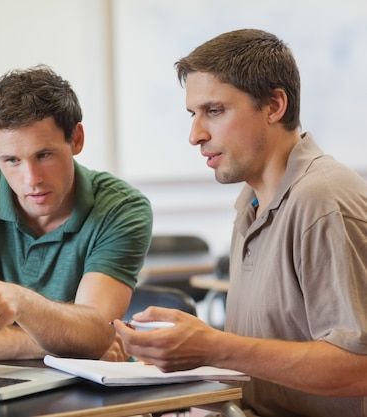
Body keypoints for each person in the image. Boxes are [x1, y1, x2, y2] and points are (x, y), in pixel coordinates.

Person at [113, 29, 367, 416]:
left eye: (214, 111)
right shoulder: (248, 204)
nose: (195, 135)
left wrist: (214, 346)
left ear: (274, 105)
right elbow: (260, 359)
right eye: (193, 115)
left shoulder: (323, 200)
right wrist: (183, 352)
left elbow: (358, 368)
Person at [0, 64, 153, 362]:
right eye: (12, 160)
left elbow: (95, 333)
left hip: (88, 390)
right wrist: (62, 345)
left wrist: (22, 302)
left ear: (76, 139)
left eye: (43, 155)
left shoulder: (122, 207)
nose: (31, 179)